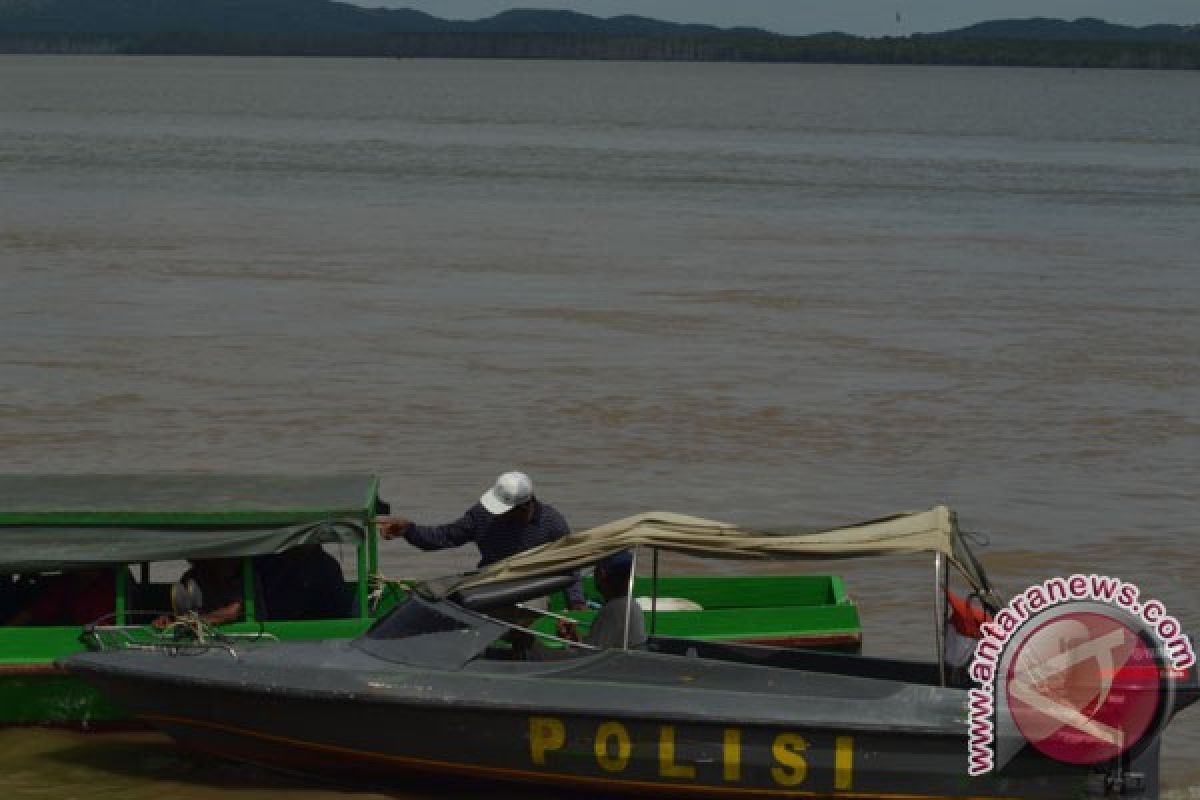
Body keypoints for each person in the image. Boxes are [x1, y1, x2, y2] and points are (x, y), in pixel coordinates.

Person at [378, 471, 586, 610]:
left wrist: (576, 603)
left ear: (525, 506)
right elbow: (444, 537)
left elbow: (570, 566)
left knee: (528, 609)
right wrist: (408, 530)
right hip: (488, 582)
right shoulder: (482, 515)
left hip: (531, 589)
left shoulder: (552, 524)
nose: (498, 514)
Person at [557, 550, 646, 649]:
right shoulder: (632, 605)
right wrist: (573, 637)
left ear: (602, 574)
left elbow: (590, 655)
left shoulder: (613, 610)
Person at [257, 543, 352, 621]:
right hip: (281, 628)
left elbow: (343, 606)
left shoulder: (327, 565)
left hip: (318, 629)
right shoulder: (271, 563)